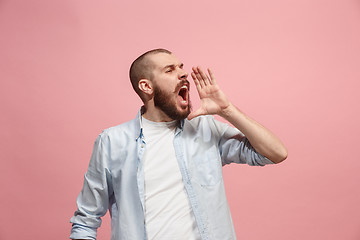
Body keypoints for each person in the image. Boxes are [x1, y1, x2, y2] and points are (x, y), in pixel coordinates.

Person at [69, 48, 287, 240]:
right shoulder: (112, 141)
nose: (183, 73)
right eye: (169, 70)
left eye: (181, 67)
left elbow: (275, 153)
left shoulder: (205, 128)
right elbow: (86, 221)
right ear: (146, 86)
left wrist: (226, 110)